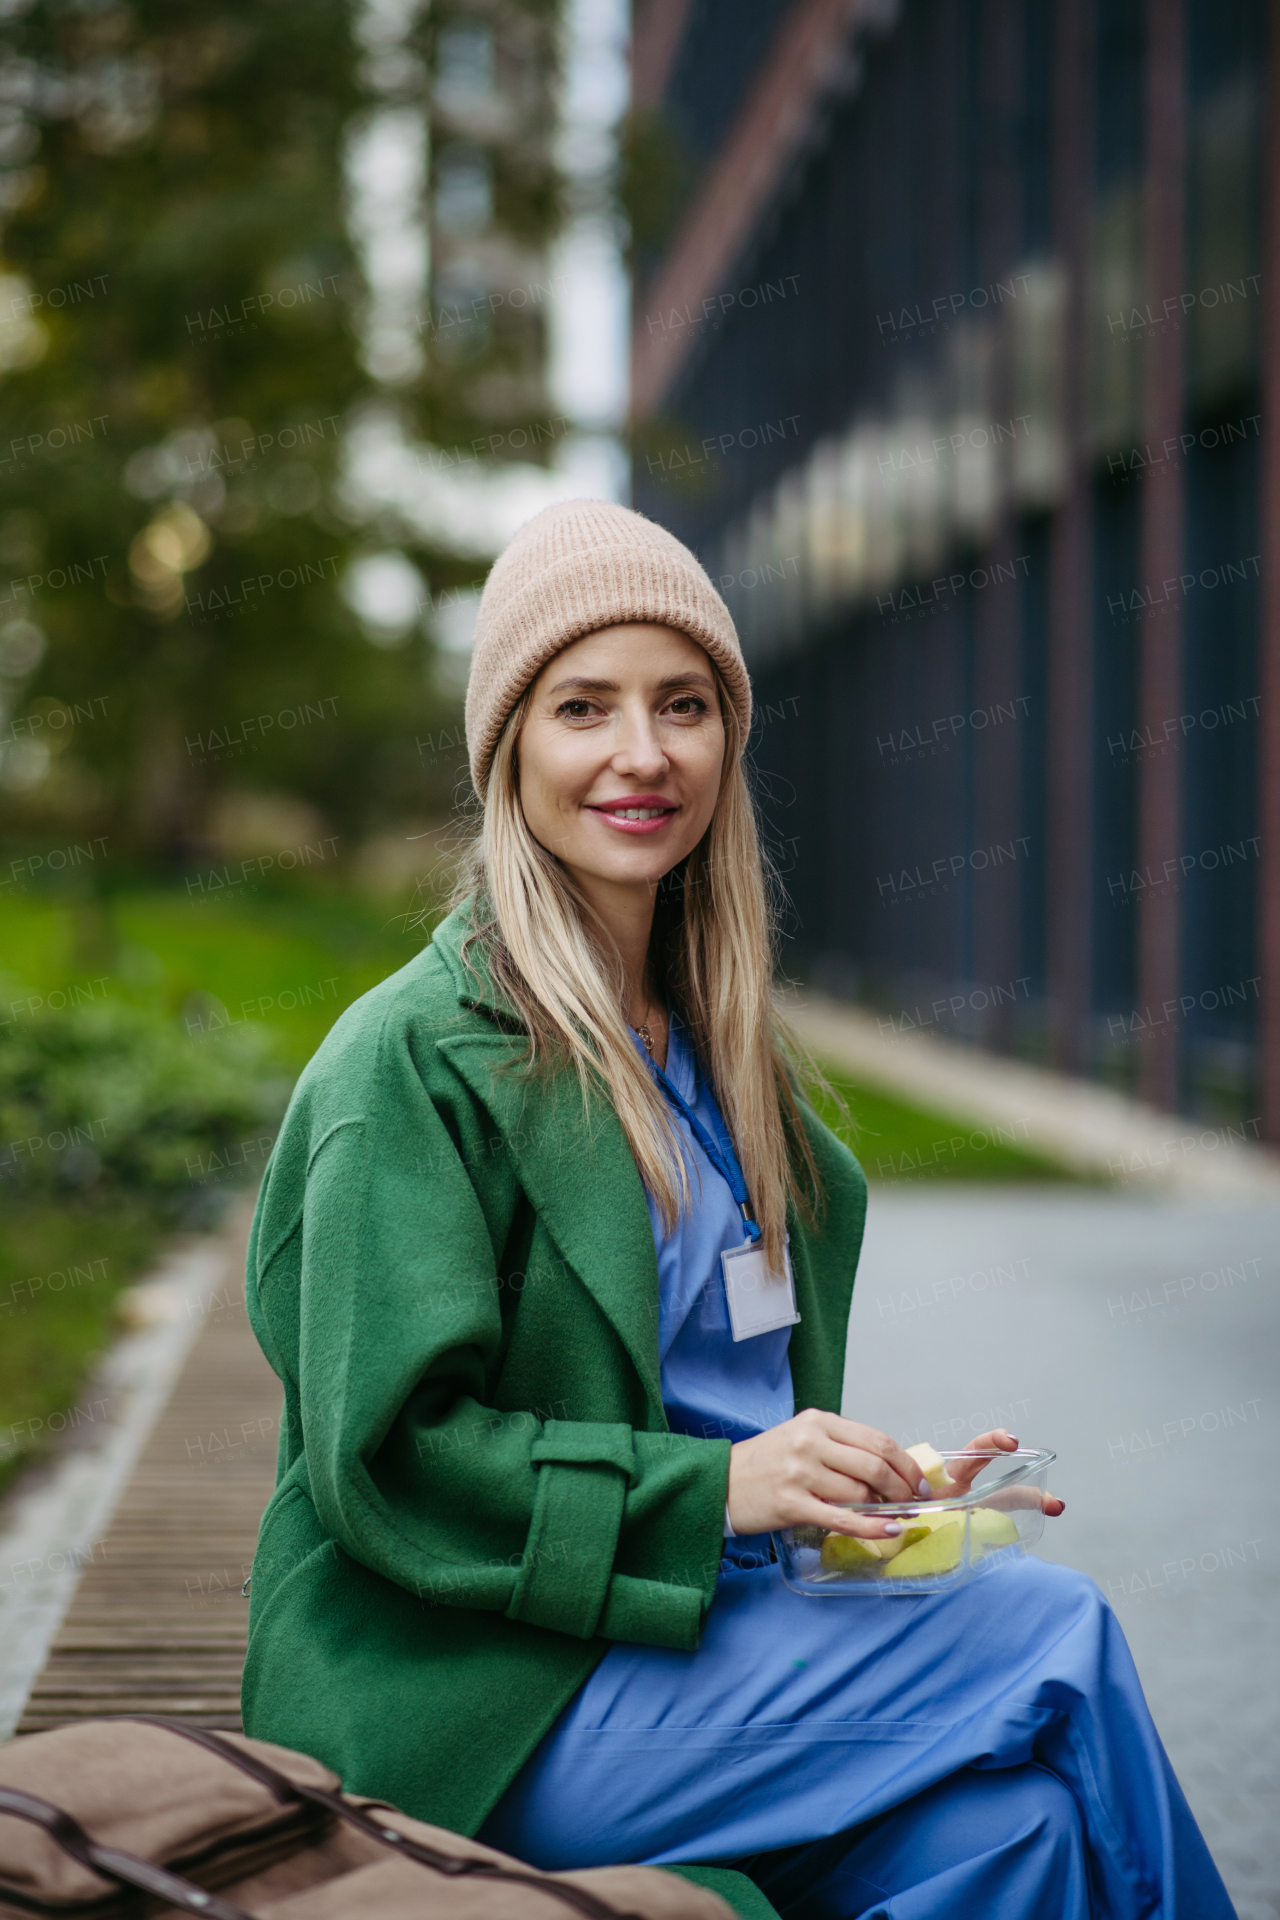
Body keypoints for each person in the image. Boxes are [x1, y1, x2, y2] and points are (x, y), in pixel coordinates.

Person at [241, 501, 1236, 1919]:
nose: (643, 754)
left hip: (701, 1631)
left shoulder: (720, 1060)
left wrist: (856, 1496)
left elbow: (720, 1419)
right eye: (585, 706)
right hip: (483, 1692)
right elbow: (393, 1460)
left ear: (728, 737)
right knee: (1048, 1637)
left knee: (1016, 1837)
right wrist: (718, 1494)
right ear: (507, 745)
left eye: (684, 704)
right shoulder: (407, 1063)